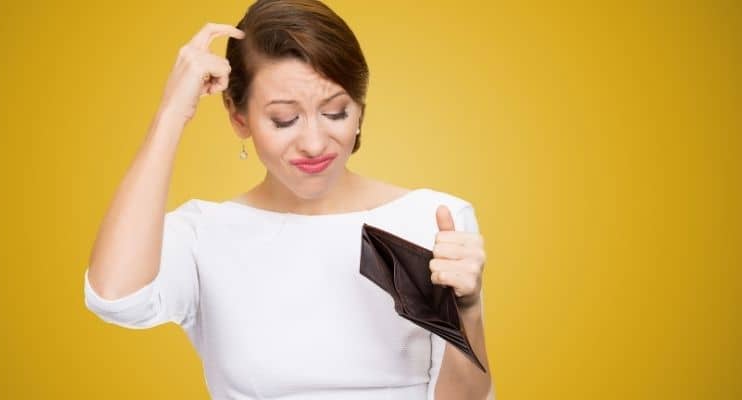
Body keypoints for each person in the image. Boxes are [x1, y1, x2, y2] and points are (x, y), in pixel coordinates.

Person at [83, 0, 494, 399]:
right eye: (284, 119)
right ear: (238, 116)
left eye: (335, 112)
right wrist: (172, 112)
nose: (314, 143)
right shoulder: (203, 234)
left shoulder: (433, 220)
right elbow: (115, 298)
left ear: (360, 109)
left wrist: (467, 309)